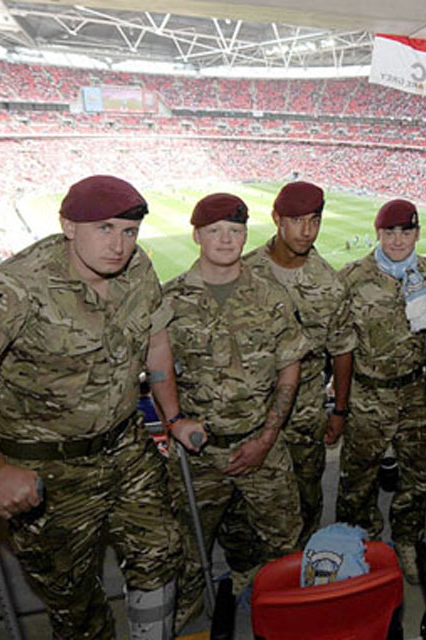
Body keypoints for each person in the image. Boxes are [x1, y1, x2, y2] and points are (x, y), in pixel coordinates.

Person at [0, 175, 202, 639]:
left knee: (161, 554)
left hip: (125, 448)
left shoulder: (136, 267)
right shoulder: (21, 285)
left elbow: (156, 338)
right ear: (68, 225)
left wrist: (173, 416)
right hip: (48, 471)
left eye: (129, 231)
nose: (119, 245)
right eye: (105, 228)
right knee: (75, 603)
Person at [163, 193, 307, 630]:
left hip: (261, 444)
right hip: (199, 454)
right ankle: (185, 611)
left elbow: (290, 370)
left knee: (285, 542)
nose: (226, 239)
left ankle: (284, 614)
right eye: (215, 231)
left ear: (247, 234)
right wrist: (172, 422)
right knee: (187, 546)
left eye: (236, 230)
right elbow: (157, 368)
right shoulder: (170, 299)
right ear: (197, 235)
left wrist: (265, 439)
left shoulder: (270, 294)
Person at [239, 181, 356, 545]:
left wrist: (339, 410)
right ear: (276, 219)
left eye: (315, 220)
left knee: (307, 497)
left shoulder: (329, 284)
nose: (307, 231)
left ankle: (302, 575)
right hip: (251, 411)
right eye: (296, 220)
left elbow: (342, 350)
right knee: (248, 507)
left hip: (305, 412)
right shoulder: (244, 272)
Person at [335, 199, 426, 584]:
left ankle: (408, 541)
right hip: (367, 395)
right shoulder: (352, 277)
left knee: (418, 477)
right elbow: (338, 344)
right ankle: (366, 546)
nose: (398, 240)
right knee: (356, 482)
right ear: (378, 233)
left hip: (415, 392)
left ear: (417, 234)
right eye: (390, 232)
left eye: (406, 232)